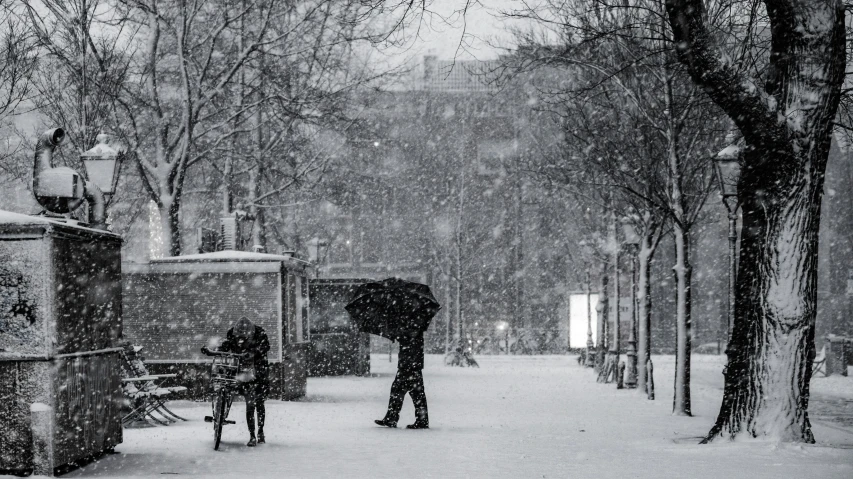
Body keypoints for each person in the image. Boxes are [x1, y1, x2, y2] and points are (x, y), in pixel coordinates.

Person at [216, 317, 270, 446]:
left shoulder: (260, 334)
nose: (242, 339)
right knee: (250, 404)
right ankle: (252, 435)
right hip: (242, 371)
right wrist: (219, 349)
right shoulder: (232, 334)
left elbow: (265, 347)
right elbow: (227, 345)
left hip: (258, 370)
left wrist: (253, 352)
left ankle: (260, 432)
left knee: (259, 403)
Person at [375, 331, 429, 429]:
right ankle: (421, 419)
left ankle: (392, 418)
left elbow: (411, 338)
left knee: (401, 390)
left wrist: (400, 336)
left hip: (409, 364)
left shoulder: (412, 325)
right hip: (411, 363)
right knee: (415, 392)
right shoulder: (413, 324)